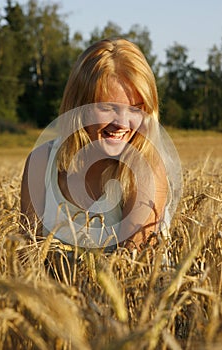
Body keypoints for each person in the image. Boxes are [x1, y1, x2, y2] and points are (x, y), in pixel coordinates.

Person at [20, 38, 182, 253]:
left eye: (135, 109)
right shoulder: (41, 162)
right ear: (79, 106)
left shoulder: (146, 171)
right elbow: (27, 260)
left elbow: (131, 269)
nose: (122, 124)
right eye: (107, 108)